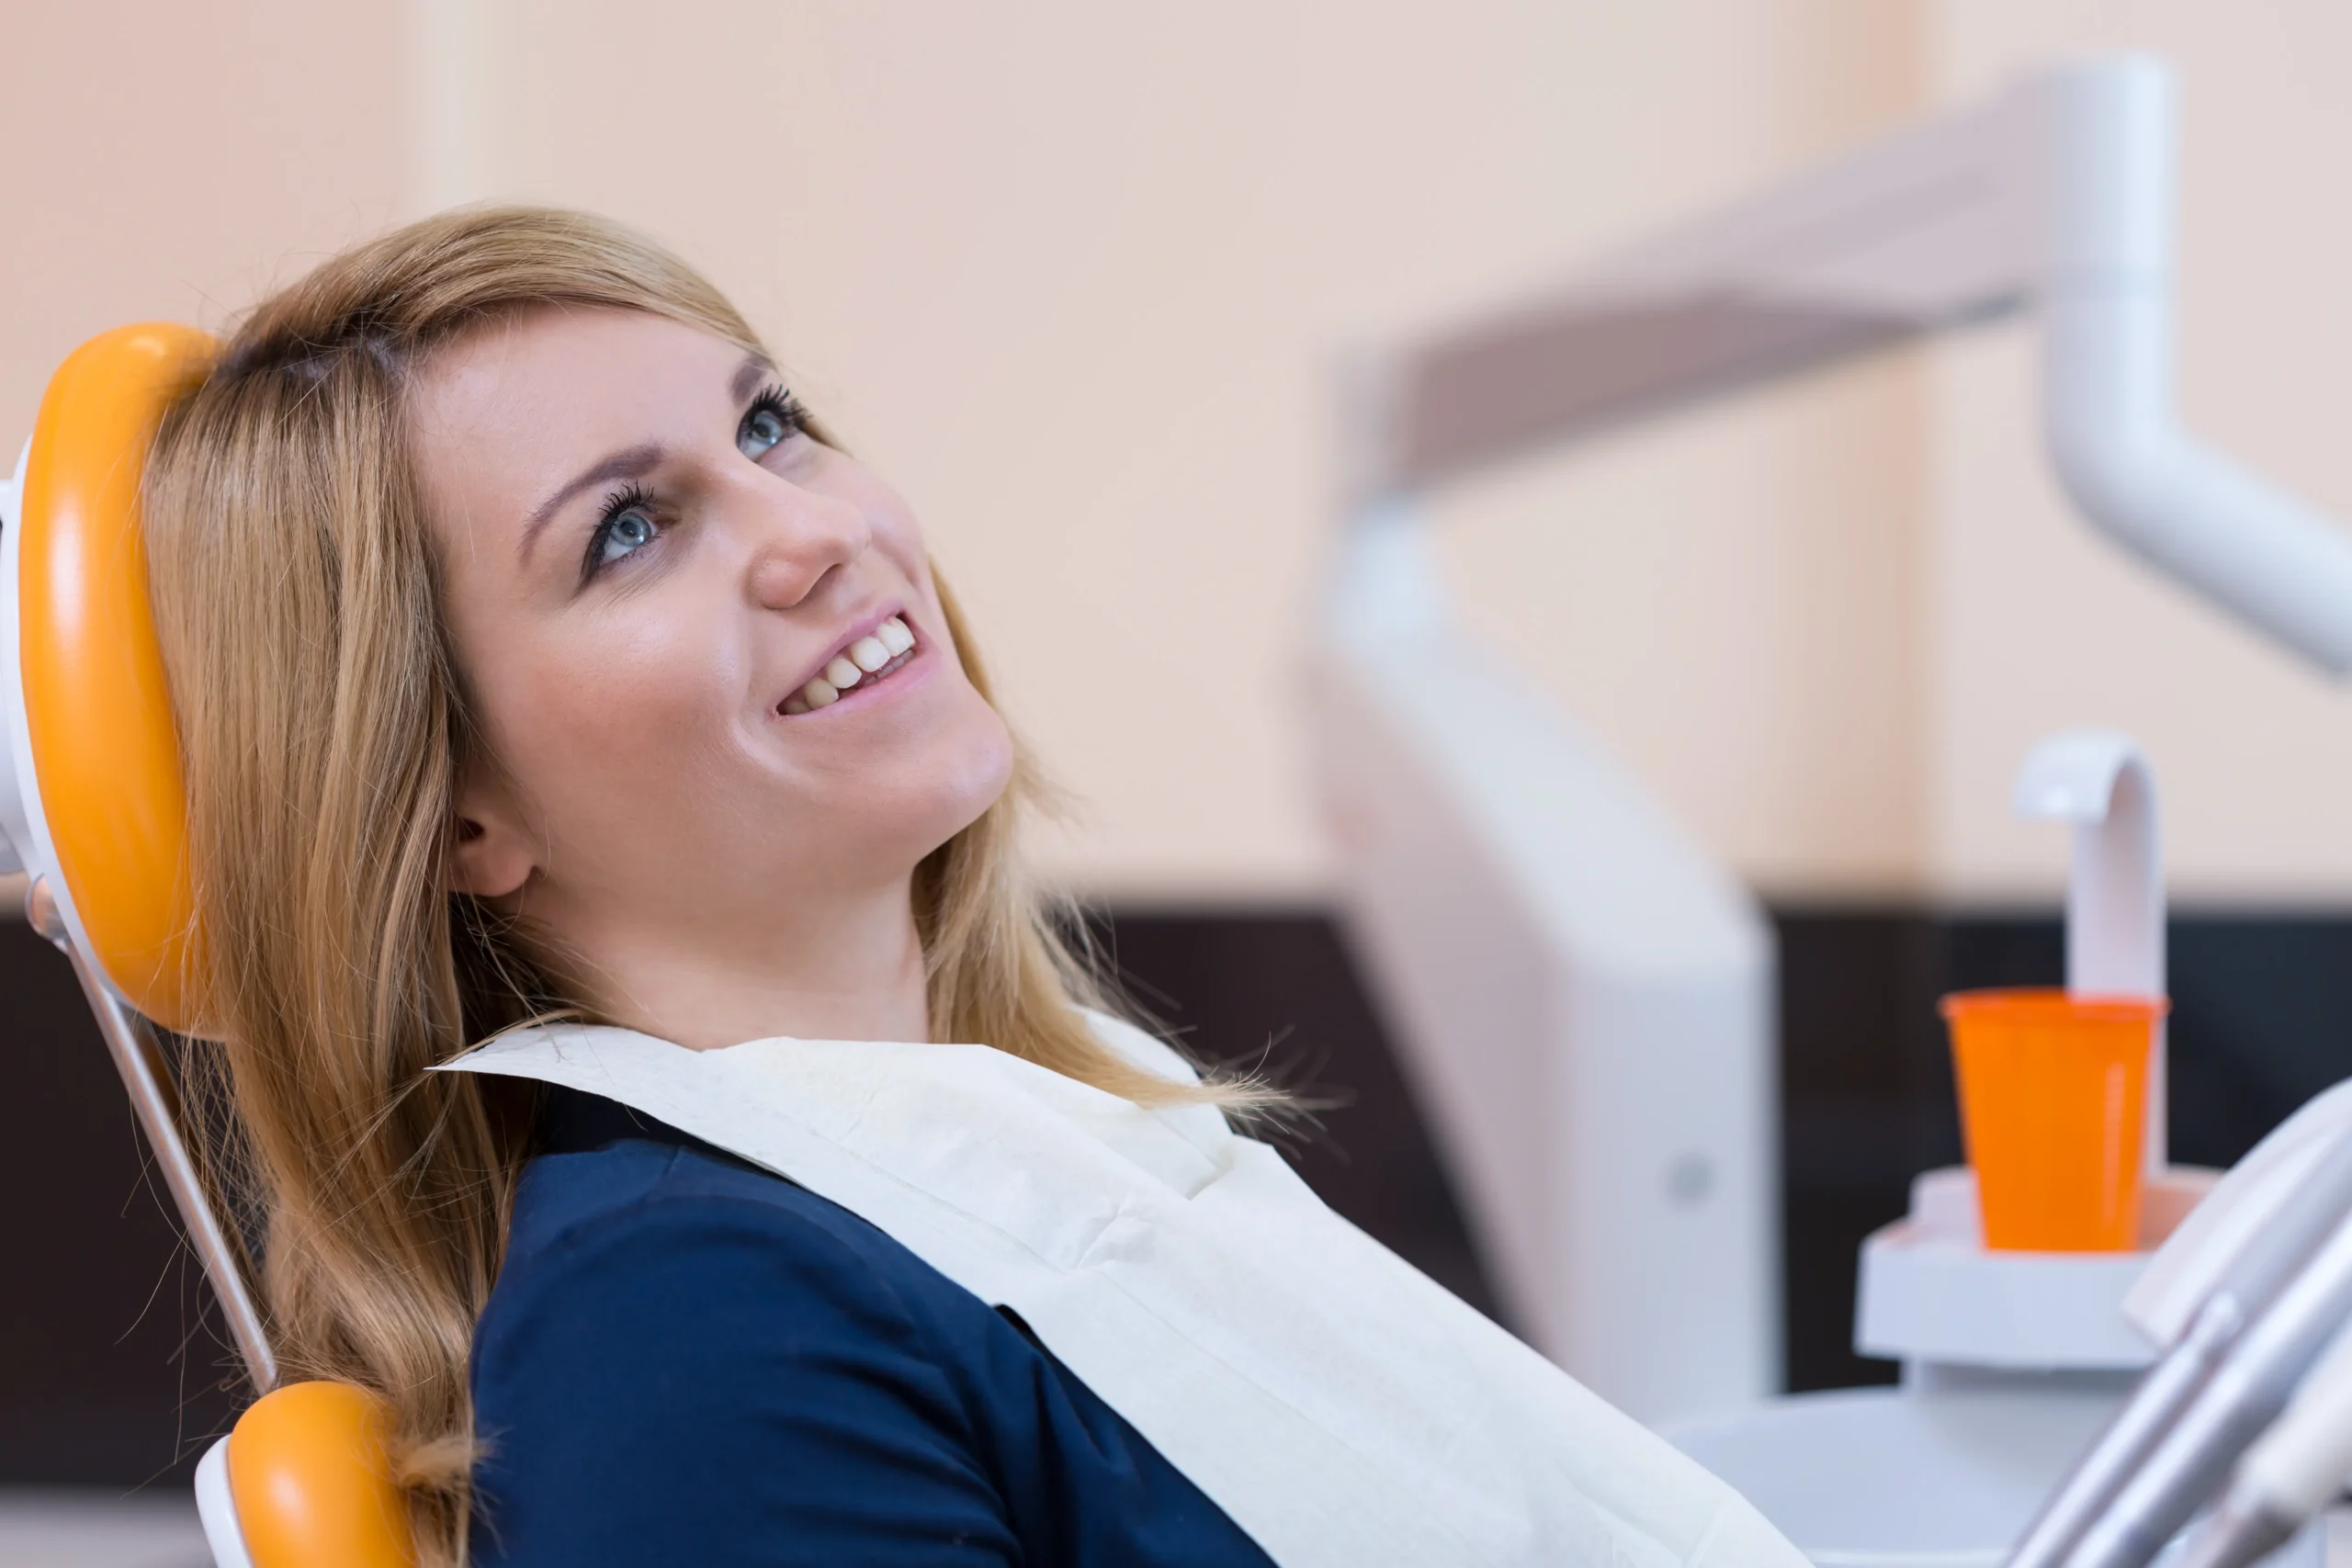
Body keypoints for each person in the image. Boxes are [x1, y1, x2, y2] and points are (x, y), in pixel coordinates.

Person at [141, 207, 1806, 1568]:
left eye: (771, 425)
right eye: (632, 531)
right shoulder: (687, 1320)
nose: (814, 534)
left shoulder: (1043, 1131)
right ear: (452, 821)